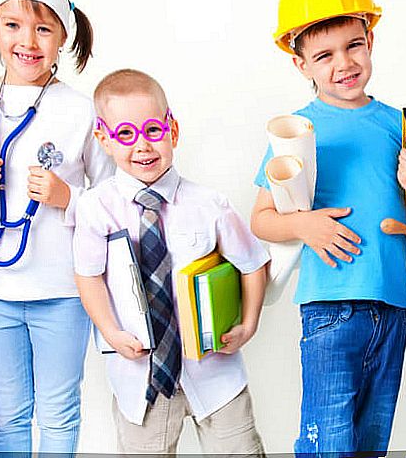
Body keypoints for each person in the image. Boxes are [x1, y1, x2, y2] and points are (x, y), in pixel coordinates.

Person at [250, 0, 406, 456]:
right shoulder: (295, 130)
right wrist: (305, 225)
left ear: (370, 41)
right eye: (324, 55)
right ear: (301, 64)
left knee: (372, 439)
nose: (343, 64)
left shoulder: (399, 124)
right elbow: (262, 218)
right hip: (329, 304)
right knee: (328, 440)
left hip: (392, 302)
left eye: (353, 46)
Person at [0, 0, 113, 453]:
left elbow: (111, 206)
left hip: (63, 288)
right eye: (13, 24)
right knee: (8, 412)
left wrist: (69, 199)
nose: (29, 40)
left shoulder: (82, 109)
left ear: (64, 35)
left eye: (44, 28)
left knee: (60, 412)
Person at [74, 68, 269, 455]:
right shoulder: (96, 208)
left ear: (173, 131)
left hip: (215, 375)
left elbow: (253, 264)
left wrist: (248, 324)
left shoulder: (209, 205)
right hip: (139, 377)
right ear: (103, 140)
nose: (143, 146)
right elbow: (89, 277)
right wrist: (111, 332)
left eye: (153, 130)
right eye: (125, 134)